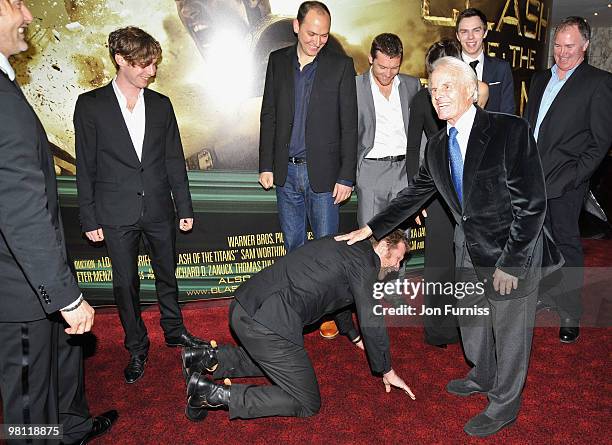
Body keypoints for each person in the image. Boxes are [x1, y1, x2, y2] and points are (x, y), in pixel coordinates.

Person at [337, 57, 563, 437]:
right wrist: (371, 229)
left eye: (447, 87)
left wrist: (511, 263)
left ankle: (504, 403)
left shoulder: (510, 130)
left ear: (471, 92)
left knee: (510, 333)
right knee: (471, 317)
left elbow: (532, 205)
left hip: (512, 251)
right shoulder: (438, 146)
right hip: (470, 249)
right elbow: (414, 196)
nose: (438, 95)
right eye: (433, 87)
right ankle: (482, 373)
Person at [0, 1, 117, 443]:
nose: (28, 15)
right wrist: (66, 297)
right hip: (19, 288)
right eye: (15, 4)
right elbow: (19, 209)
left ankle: (71, 427)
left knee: (64, 362)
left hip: (34, 274)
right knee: (28, 415)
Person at [74, 26, 206, 385]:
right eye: (144, 64)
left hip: (160, 209)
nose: (151, 71)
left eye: (154, 64)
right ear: (120, 60)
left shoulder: (162, 105)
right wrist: (88, 214)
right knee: (125, 283)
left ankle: (174, 330)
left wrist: (186, 207)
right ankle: (136, 346)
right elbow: (85, 165)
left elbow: (173, 160)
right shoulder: (91, 105)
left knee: (167, 275)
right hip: (115, 212)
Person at [181, 231, 415, 421]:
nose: (396, 267)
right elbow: (372, 319)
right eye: (397, 259)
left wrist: (352, 335)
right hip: (268, 326)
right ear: (385, 245)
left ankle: (203, 358)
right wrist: (387, 370)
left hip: (244, 306)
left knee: (276, 364)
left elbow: (342, 297)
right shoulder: (366, 266)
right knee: (306, 401)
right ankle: (210, 394)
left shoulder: (346, 242)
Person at [258, 1, 358, 339]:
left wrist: (347, 176)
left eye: (324, 34)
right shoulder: (277, 62)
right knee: (294, 247)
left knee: (328, 252)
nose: (317, 40)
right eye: (312, 33)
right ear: (296, 27)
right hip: (286, 173)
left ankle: (327, 313)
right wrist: (265, 164)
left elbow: (349, 125)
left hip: (326, 177)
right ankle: (297, 312)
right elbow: (269, 114)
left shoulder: (341, 66)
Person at [524, 16, 612, 343]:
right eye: (558, 45)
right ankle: (543, 295)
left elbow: (601, 141)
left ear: (585, 46)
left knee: (566, 245)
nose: (562, 52)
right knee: (534, 243)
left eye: (569, 46)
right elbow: (532, 127)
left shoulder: (598, 83)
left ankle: (570, 311)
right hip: (531, 179)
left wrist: (576, 178)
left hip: (566, 183)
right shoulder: (538, 79)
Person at [355, 33, 419, 228]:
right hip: (370, 170)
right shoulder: (355, 86)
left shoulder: (411, 85)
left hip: (403, 171)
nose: (387, 74)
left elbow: (419, 132)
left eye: (394, 68)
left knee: (401, 241)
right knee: (371, 238)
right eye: (382, 67)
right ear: (370, 59)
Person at [456, 8, 514, 114]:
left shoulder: (501, 68)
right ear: (458, 36)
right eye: (464, 32)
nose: (470, 37)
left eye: (476, 30)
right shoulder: (449, 69)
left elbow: (507, 114)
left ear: (485, 33)